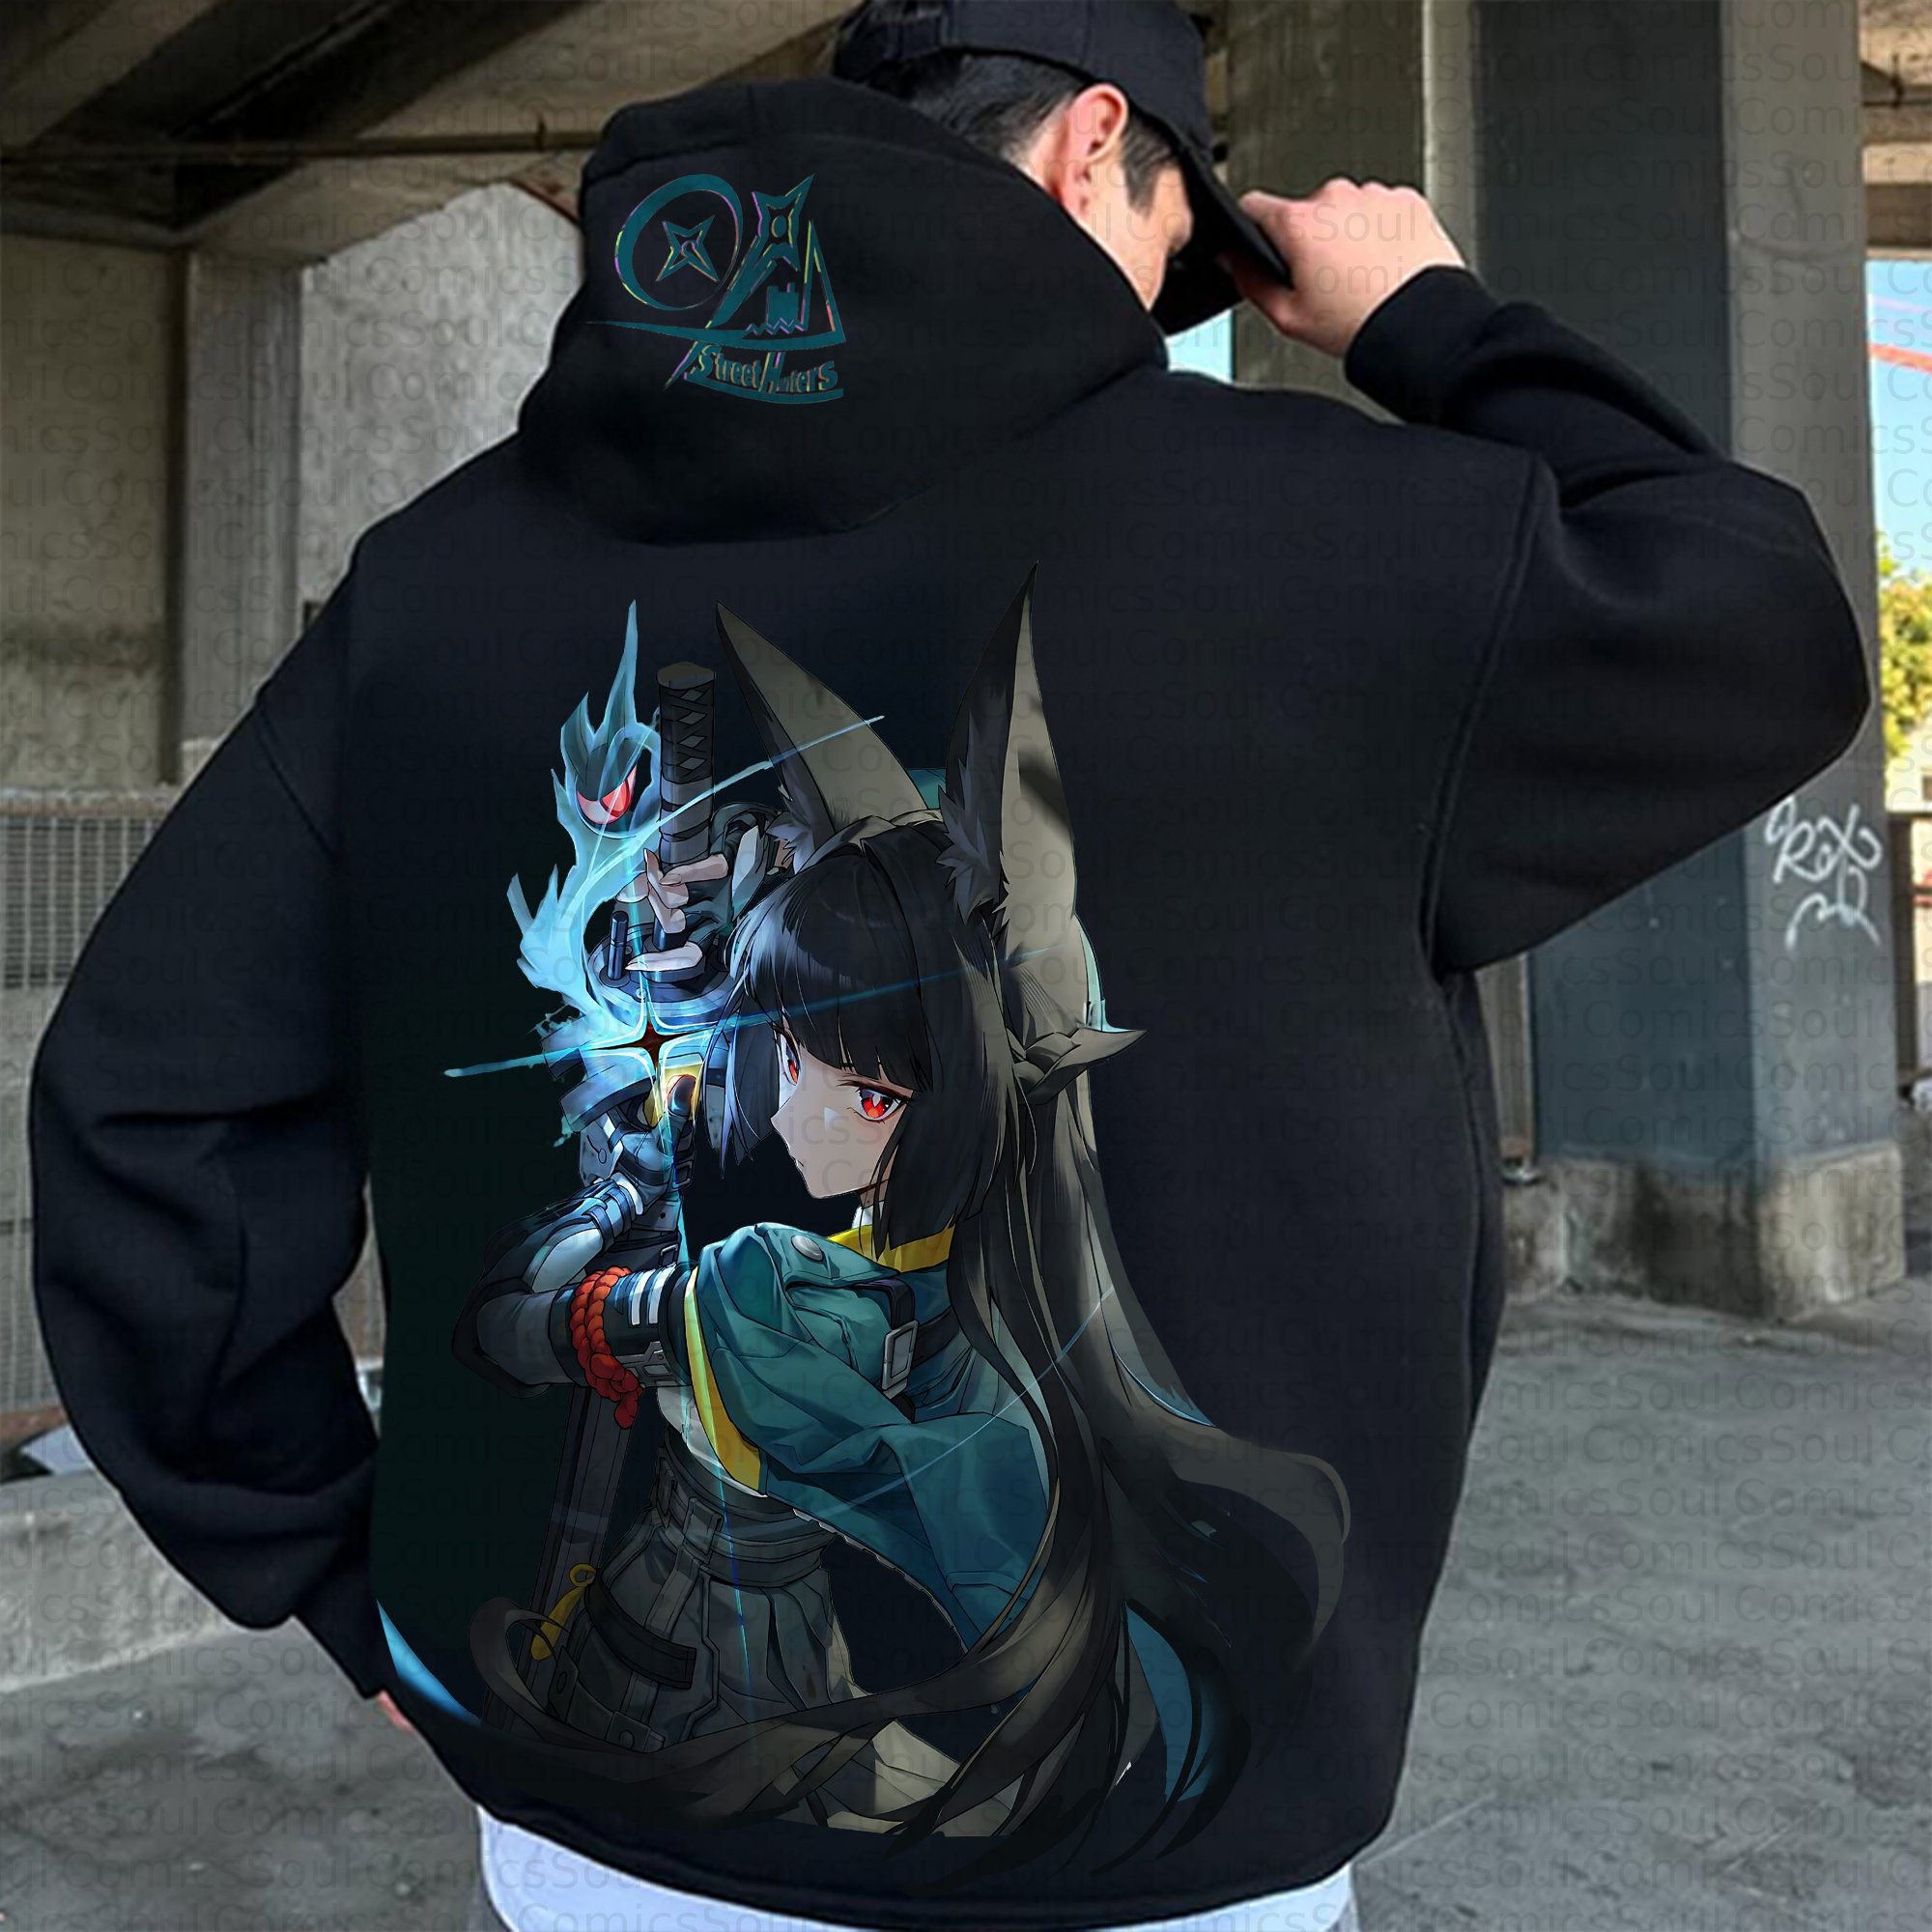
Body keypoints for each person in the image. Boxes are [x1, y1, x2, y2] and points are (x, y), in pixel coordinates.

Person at [27, 4, 1868, 1932]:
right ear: (1092, 144)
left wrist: (343, 1578)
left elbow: (153, 1106)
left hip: (604, 1832)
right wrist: (1429, 316)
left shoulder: (436, 579)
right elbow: (1757, 615)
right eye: (1177, 244)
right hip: (1171, 1844)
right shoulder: (1342, 539)